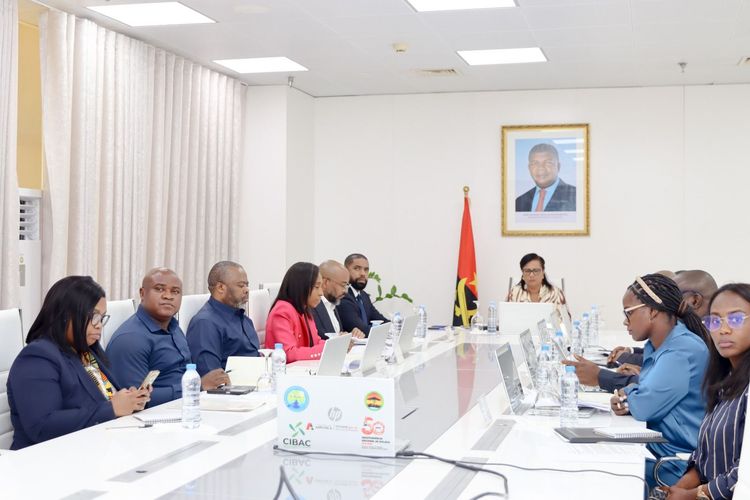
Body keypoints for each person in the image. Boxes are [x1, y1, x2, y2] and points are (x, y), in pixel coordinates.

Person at [6, 276, 150, 450]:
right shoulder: (37, 357)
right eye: (94, 316)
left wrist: (130, 401)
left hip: (98, 446)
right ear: (65, 315)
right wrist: (112, 408)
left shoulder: (87, 351)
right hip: (49, 458)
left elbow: (104, 399)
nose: (99, 325)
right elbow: (42, 427)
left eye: (102, 318)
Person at [609, 274, 709, 488]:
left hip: (676, 465)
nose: (625, 321)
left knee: (605, 471)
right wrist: (633, 395)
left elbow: (644, 406)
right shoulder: (658, 345)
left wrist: (629, 394)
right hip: (660, 451)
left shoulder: (680, 351)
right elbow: (645, 395)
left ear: (653, 311)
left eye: (628, 312)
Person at [664, 283, 750, 500]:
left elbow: (745, 473)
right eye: (715, 321)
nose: (723, 330)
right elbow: (706, 455)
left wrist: (692, 495)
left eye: (736, 319)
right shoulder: (725, 380)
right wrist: (679, 488)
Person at [106, 268, 230, 407]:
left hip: (189, 404)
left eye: (175, 291)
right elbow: (136, 400)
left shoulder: (174, 327)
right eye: (159, 289)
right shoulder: (130, 339)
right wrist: (196, 387)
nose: (168, 296)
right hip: (159, 415)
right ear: (142, 293)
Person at [608, 270, 717, 366]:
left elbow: (666, 360)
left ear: (695, 300)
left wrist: (625, 357)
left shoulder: (714, 332)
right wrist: (631, 351)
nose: (668, 303)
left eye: (675, 296)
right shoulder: (696, 327)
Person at [186, 261, 260, 377]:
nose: (247, 290)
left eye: (247, 285)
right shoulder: (205, 323)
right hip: (231, 386)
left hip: (256, 380)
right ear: (220, 287)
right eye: (241, 285)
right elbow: (211, 377)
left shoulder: (245, 319)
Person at [265, 262, 331, 362]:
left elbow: (316, 341)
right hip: (285, 369)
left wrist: (335, 345)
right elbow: (288, 354)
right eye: (317, 287)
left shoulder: (305, 309)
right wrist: (326, 350)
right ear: (301, 286)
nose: (321, 293)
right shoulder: (282, 311)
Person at [311, 260, 365, 341]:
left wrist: (350, 335)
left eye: (347, 286)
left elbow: (336, 335)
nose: (345, 291)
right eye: (343, 285)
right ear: (325, 283)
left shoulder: (333, 303)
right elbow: (315, 342)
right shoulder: (312, 307)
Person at [514, 143, 576, 212]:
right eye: (535, 163)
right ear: (529, 168)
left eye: (548, 163)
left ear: (558, 166)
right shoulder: (519, 201)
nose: (541, 168)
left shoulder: (576, 196)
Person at [337, 253, 388, 335]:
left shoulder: (364, 296)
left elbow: (381, 320)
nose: (363, 273)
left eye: (366, 269)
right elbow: (361, 329)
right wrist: (387, 330)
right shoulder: (343, 296)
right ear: (345, 271)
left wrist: (395, 326)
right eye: (357, 268)